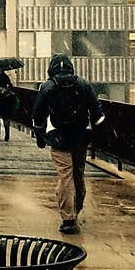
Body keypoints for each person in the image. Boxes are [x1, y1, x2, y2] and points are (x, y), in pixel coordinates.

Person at [32, 53, 105, 234]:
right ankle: (77, 209)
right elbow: (97, 113)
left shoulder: (48, 86)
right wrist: (99, 135)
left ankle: (68, 218)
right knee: (78, 175)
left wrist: (40, 135)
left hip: (59, 137)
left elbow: (38, 114)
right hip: (80, 136)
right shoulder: (83, 84)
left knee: (65, 176)